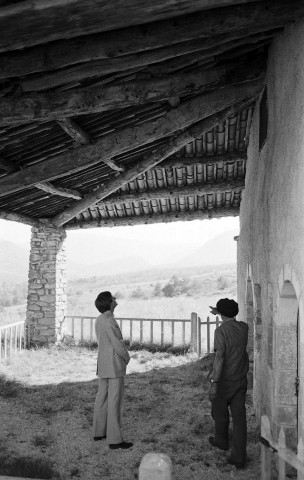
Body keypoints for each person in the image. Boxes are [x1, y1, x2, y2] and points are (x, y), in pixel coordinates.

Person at [208, 298, 249, 470]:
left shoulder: (220, 332)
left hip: (224, 380)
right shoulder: (244, 328)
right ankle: (239, 458)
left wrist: (214, 382)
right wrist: (221, 312)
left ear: (221, 313)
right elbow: (230, 318)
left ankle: (221, 441)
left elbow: (219, 357)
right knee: (239, 420)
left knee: (219, 411)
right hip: (240, 379)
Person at [93, 291, 133, 450]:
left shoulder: (99, 319)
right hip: (114, 365)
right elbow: (118, 344)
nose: (116, 299)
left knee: (102, 397)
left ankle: (99, 431)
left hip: (103, 364)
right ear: (109, 302)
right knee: (115, 401)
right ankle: (115, 439)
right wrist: (127, 358)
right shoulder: (110, 320)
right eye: (113, 298)